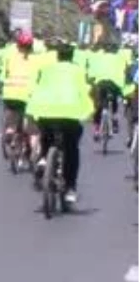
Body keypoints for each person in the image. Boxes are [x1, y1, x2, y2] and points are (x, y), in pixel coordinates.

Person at [28, 43, 93, 205]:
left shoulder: (47, 70)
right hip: (69, 114)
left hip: (45, 111)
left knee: (46, 135)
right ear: (72, 57)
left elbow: (38, 89)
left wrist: (32, 111)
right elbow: (84, 92)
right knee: (72, 149)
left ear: (57, 56)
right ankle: (70, 187)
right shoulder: (78, 71)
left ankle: (43, 158)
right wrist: (88, 112)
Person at [1, 31, 43, 158]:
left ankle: (10, 133)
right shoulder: (37, 60)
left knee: (11, 119)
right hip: (29, 96)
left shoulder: (10, 57)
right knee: (33, 130)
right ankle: (34, 155)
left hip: (10, 93)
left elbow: (4, 75)